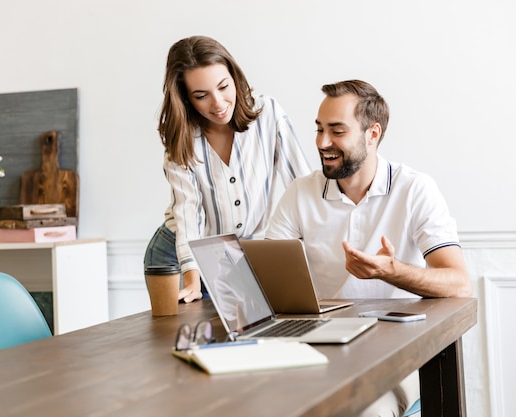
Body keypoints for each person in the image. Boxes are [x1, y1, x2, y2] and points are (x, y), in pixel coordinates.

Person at [265, 80, 472, 417]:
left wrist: (393, 272)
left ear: (372, 134)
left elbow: (459, 283)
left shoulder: (415, 190)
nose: (322, 142)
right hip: (317, 347)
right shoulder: (300, 192)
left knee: (361, 411)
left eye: (337, 131)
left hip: (399, 351)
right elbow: (266, 276)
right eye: (319, 130)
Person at [144, 35, 311, 304]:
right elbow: (188, 211)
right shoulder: (182, 138)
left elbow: (303, 186)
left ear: (234, 77)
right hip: (179, 255)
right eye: (201, 96)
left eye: (224, 87)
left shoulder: (267, 113)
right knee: (186, 342)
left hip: (239, 256)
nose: (218, 103)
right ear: (186, 99)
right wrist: (191, 278)